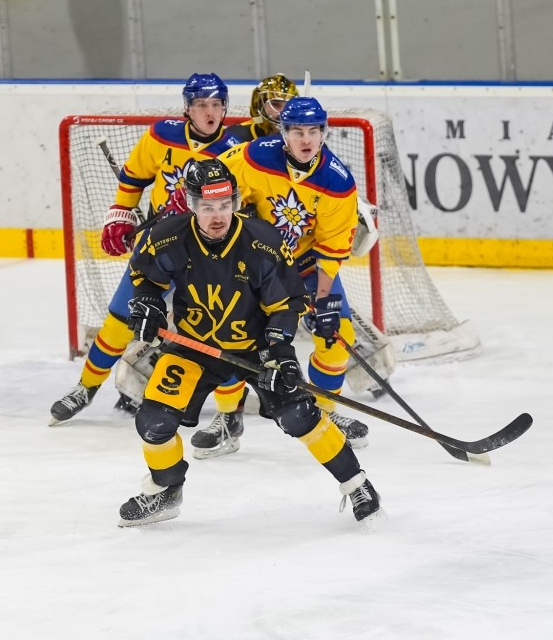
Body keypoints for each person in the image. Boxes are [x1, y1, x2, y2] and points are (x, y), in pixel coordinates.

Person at [116, 158, 383, 527]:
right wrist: (147, 303)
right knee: (153, 420)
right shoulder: (169, 236)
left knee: (298, 415)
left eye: (224, 205)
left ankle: (357, 485)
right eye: (207, 207)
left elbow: (285, 305)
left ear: (236, 202)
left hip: (258, 349)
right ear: (192, 205)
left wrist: (281, 353)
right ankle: (165, 489)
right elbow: (146, 279)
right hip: (194, 347)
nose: (217, 216)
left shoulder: (262, 242)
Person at [50, 73, 245, 425]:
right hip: (160, 248)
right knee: (119, 321)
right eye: (202, 104)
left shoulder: (236, 151)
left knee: (221, 336)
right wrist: (120, 215)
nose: (210, 112)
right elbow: (133, 178)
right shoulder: (161, 135)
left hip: (209, 259)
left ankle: (229, 415)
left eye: (217, 104)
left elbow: (242, 208)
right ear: (187, 108)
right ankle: (85, 388)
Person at [207, 96, 384, 456]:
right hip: (253, 265)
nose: (306, 140)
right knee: (229, 335)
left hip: (304, 267)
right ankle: (228, 418)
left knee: (337, 337)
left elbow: (332, 248)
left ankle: (324, 414)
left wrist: (323, 300)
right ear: (283, 133)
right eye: (298, 131)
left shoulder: (337, 182)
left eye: (313, 132)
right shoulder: (254, 156)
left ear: (323, 134)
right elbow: (214, 181)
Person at [224, 73, 298, 143]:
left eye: (289, 105)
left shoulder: (301, 139)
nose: (283, 112)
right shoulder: (233, 137)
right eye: (275, 104)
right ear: (259, 105)